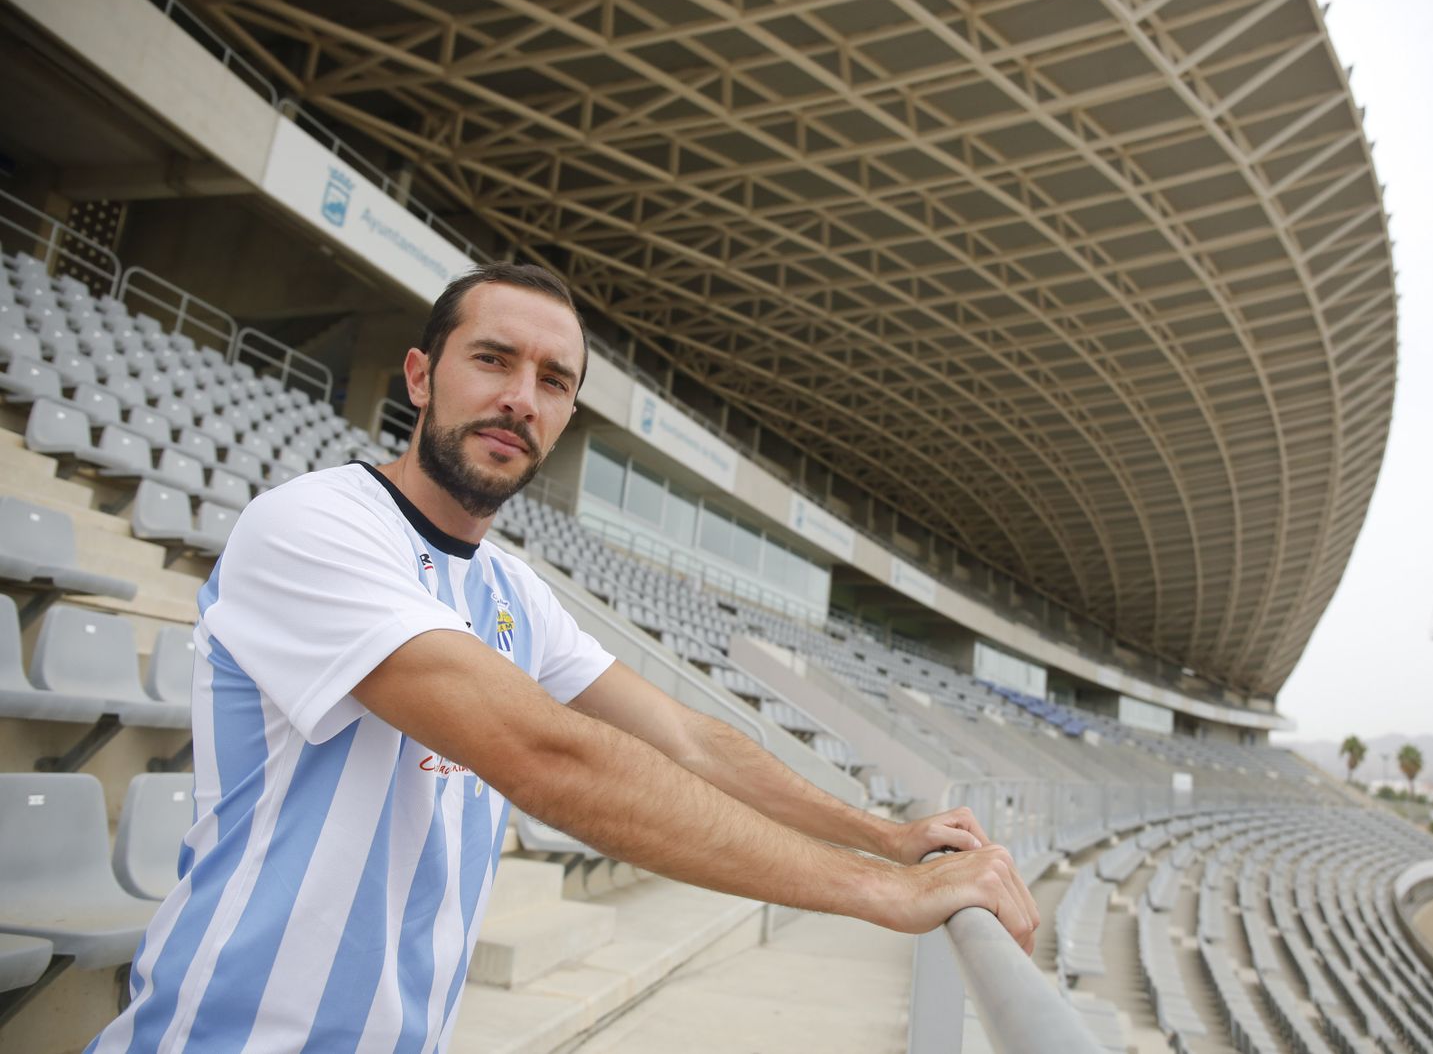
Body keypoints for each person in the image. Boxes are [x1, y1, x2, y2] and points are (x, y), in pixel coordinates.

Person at [87, 263, 1039, 1052]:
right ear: (419, 376)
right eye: (492, 360)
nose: (520, 399)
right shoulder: (315, 523)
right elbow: (549, 757)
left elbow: (688, 742)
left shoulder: (513, 590)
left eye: (554, 381)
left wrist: (885, 836)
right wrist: (883, 892)